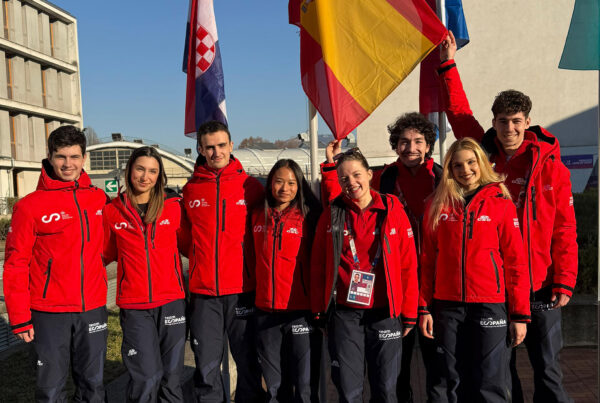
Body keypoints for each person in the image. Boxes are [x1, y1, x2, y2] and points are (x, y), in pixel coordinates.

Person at [439, 31, 578, 403]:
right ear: (494, 122)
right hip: (497, 287)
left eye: (516, 121)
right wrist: (448, 62)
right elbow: (457, 112)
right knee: (500, 371)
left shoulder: (550, 165)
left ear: (528, 120)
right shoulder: (483, 154)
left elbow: (565, 227)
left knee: (547, 367)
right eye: (502, 121)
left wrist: (564, 281)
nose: (509, 128)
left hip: (542, 283)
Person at [322, 112, 443, 403]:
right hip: (394, 281)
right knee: (394, 375)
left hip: (435, 282)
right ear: (395, 145)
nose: (410, 147)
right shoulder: (385, 177)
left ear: (428, 145)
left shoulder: (442, 176)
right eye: (403, 142)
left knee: (439, 371)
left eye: (417, 141)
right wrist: (331, 166)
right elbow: (349, 193)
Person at [418, 138, 531, 402]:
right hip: (447, 305)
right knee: (450, 378)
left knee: (491, 380)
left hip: (490, 304)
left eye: (471, 162)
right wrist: (424, 307)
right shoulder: (438, 205)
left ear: (481, 163)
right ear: (449, 170)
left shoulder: (501, 203)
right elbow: (427, 261)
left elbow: (516, 262)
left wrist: (519, 315)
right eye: (457, 165)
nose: (465, 170)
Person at [3, 125, 109, 401]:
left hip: (93, 308)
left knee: (94, 386)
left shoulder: (98, 199)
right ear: (49, 157)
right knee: (50, 390)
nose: (68, 164)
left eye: (74, 156)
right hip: (49, 312)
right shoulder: (29, 206)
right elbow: (15, 264)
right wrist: (19, 317)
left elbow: (112, 245)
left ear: (84, 158)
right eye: (61, 156)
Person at [311, 148, 419, 402]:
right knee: (349, 390)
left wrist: (410, 312)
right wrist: (319, 310)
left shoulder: (393, 209)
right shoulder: (332, 214)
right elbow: (317, 266)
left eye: (357, 175)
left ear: (370, 175)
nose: (351, 183)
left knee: (385, 389)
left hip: (385, 312)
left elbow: (408, 265)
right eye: (344, 179)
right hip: (345, 314)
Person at [182, 120, 265, 402]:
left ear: (231, 145)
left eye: (221, 145)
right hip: (204, 294)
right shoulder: (191, 190)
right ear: (201, 150)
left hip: (242, 290)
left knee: (248, 363)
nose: (216, 152)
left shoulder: (251, 187)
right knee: (205, 367)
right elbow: (185, 237)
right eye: (209, 147)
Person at [102, 146, 187, 402]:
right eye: (140, 169)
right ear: (129, 171)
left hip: (172, 303)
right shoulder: (112, 212)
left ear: (159, 175)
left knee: (172, 378)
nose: (145, 177)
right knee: (146, 377)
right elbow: (104, 255)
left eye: (152, 171)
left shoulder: (174, 207)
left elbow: (193, 246)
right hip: (135, 306)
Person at [246, 159, 322, 403]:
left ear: (299, 186)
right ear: (269, 184)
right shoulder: (257, 215)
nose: (285, 188)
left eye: (291, 183)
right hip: (265, 310)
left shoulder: (309, 216)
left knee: (304, 383)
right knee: (275, 385)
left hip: (300, 311)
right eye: (279, 181)